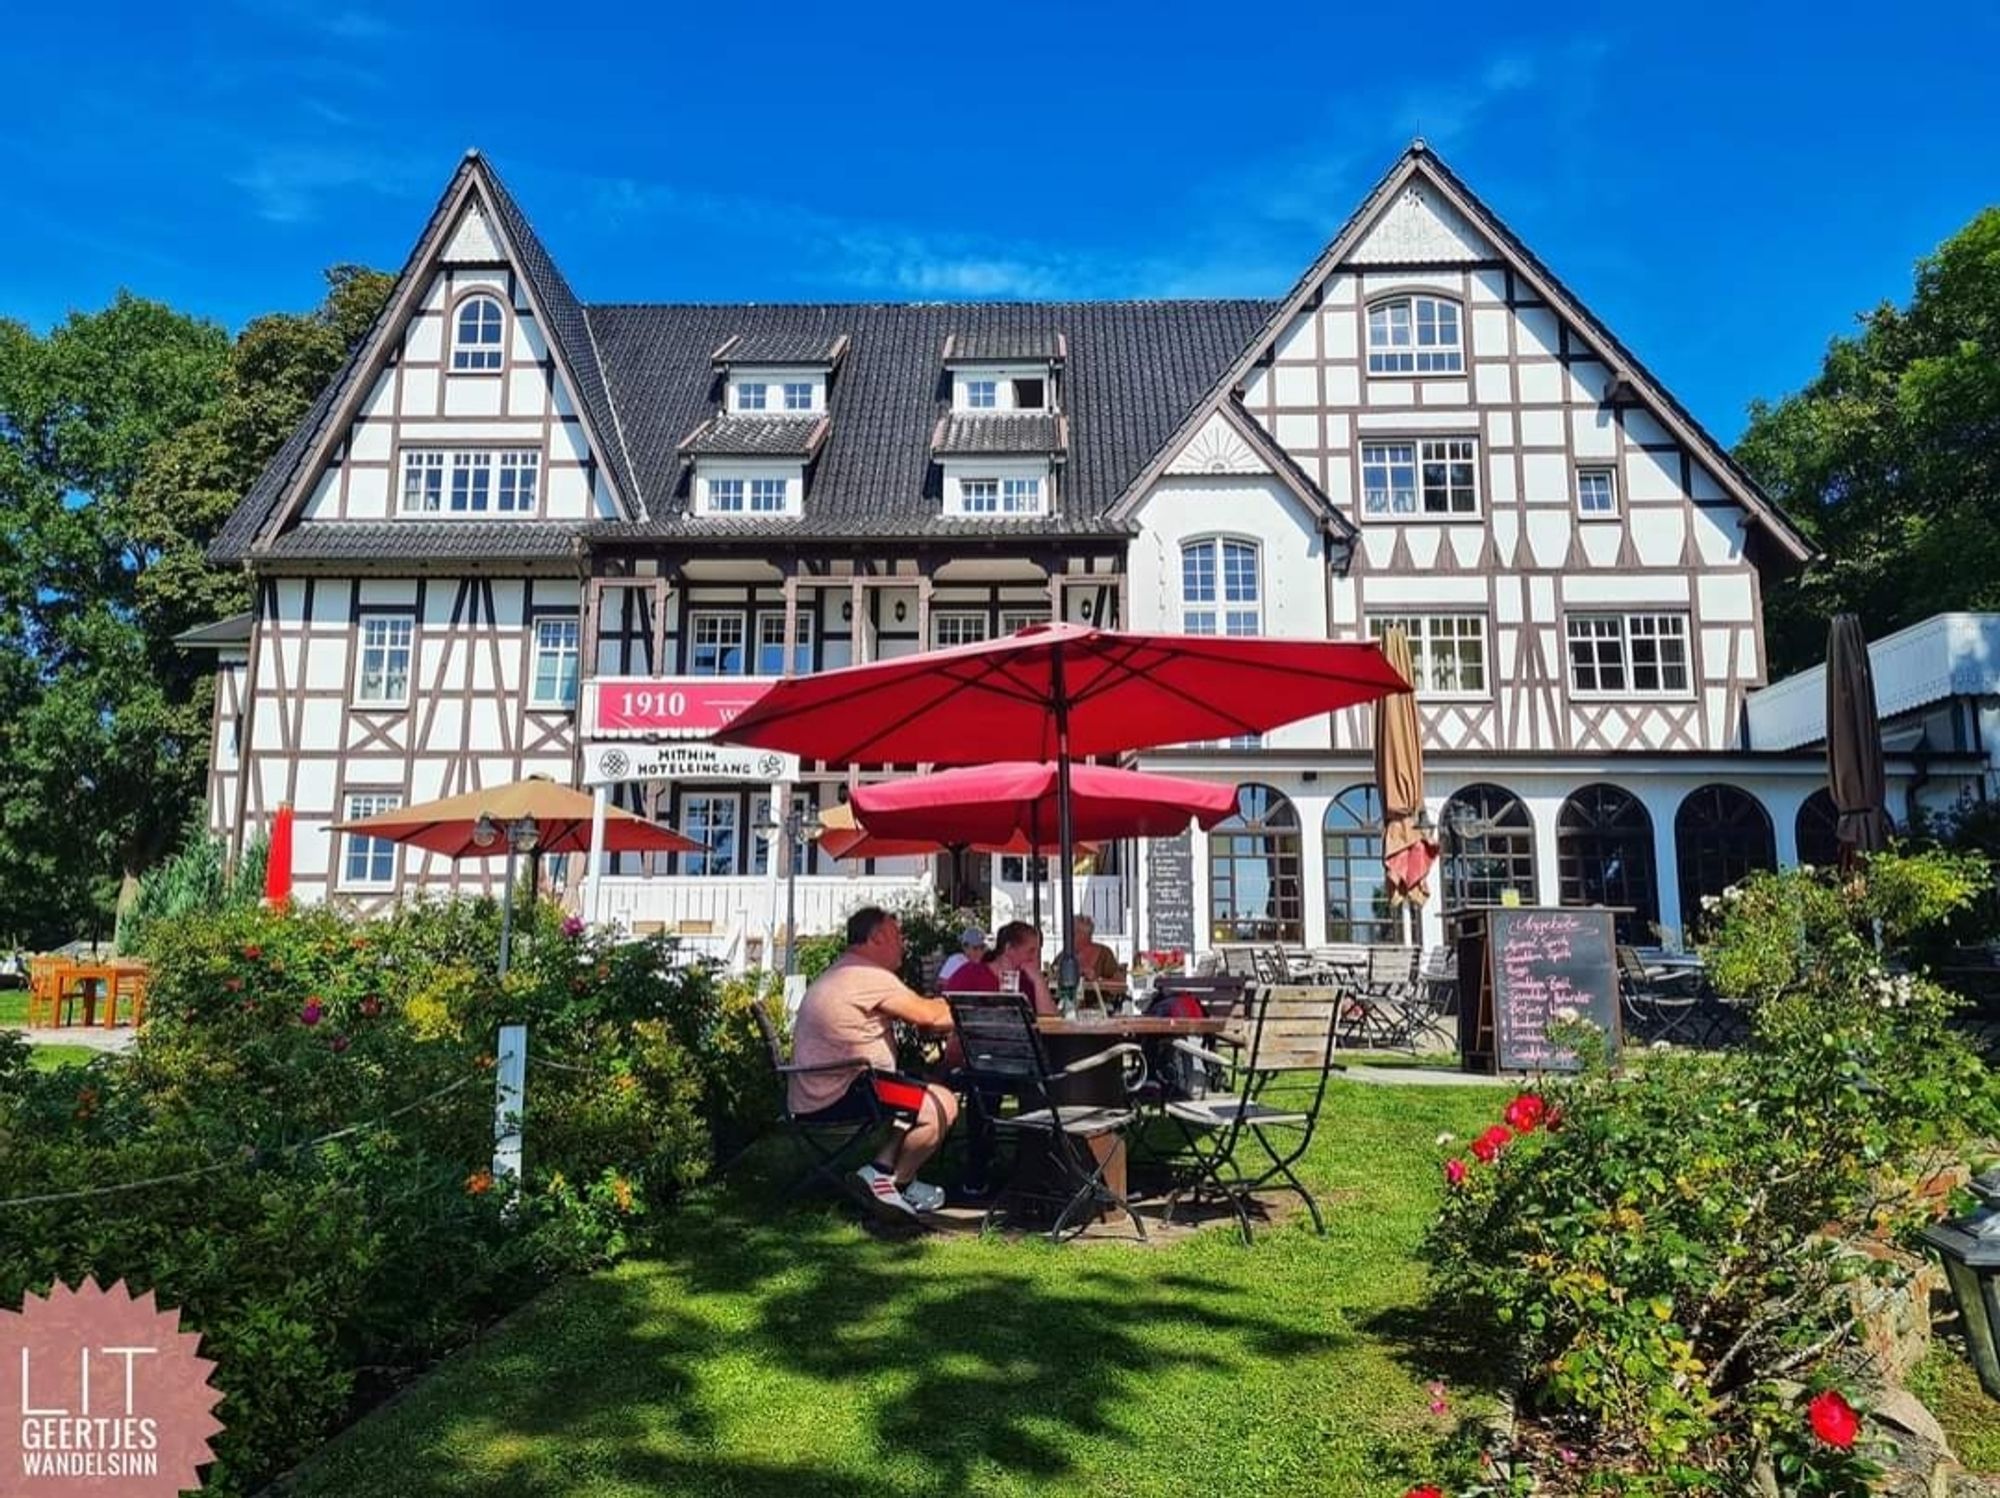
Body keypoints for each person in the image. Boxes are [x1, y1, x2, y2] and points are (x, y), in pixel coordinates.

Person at [788, 907, 959, 1220]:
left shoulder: (845, 970)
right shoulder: (869, 976)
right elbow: (930, 1016)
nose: (903, 944)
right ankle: (893, 1180)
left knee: (919, 1087)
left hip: (818, 1090)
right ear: (878, 937)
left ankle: (882, 1171)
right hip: (844, 1093)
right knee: (941, 1103)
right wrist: (975, 1005)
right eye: (898, 935)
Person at [1072, 914, 1125, 986]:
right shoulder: (1065, 955)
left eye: (1074, 933)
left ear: (1084, 935)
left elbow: (1120, 983)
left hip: (1099, 996)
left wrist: (1097, 980)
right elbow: (1053, 974)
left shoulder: (1105, 954)